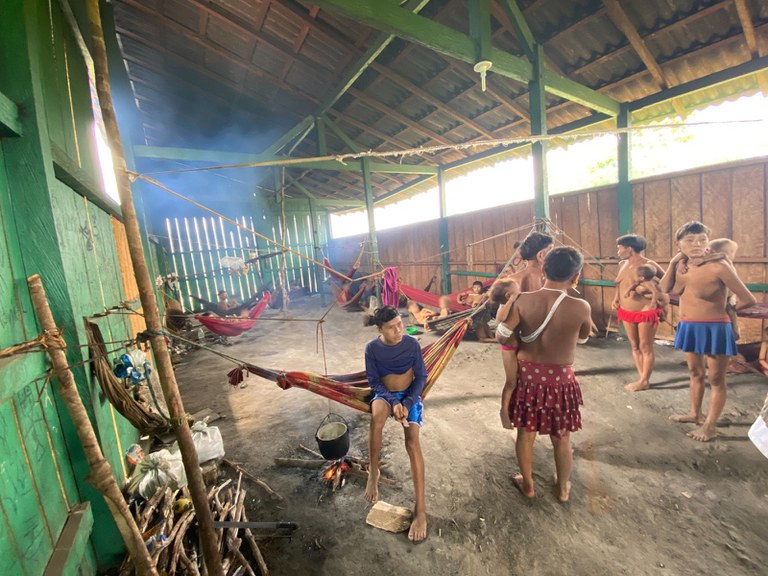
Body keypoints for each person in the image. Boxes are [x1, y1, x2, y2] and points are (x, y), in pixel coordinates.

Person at [496, 247, 592, 502]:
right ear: (576, 276)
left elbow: (502, 335)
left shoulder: (523, 300)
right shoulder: (581, 306)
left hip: (528, 378)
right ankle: (562, 489)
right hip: (561, 381)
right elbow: (583, 338)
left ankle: (527, 485)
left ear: (544, 269)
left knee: (526, 433)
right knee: (561, 437)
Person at [660, 221, 756, 442]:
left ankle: (710, 426)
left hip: (716, 328)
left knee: (716, 379)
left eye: (702, 239)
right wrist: (674, 261)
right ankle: (695, 414)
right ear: (679, 244)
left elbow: (748, 299)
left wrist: (729, 310)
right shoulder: (681, 265)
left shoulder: (719, 266)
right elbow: (664, 289)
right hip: (689, 326)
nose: (697, 244)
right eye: (690, 240)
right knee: (695, 373)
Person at [364, 306, 428, 541]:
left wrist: (409, 402)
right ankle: (373, 472)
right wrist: (392, 401)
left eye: (400, 324)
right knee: (376, 415)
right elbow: (373, 382)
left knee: (412, 443)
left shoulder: (411, 344)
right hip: (386, 396)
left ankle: (420, 511)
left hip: (410, 395)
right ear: (380, 329)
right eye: (392, 327)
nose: (399, 329)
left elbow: (421, 376)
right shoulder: (372, 348)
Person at [612, 234, 665, 392]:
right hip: (626, 310)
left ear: (629, 248)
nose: (618, 250)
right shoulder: (622, 263)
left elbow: (667, 281)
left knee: (645, 345)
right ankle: (642, 378)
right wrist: (616, 298)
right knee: (634, 345)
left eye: (620, 247)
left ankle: (644, 380)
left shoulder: (649, 264)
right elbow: (619, 284)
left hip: (645, 310)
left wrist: (651, 293)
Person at [491, 278, 522, 430]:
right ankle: (503, 411)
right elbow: (499, 319)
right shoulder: (505, 305)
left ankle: (516, 409)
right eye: (517, 288)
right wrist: (511, 301)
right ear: (509, 294)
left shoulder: (520, 303)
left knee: (520, 381)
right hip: (509, 349)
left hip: (521, 348)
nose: (520, 290)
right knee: (511, 382)